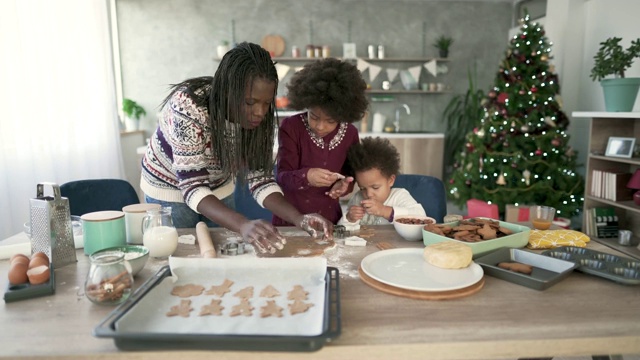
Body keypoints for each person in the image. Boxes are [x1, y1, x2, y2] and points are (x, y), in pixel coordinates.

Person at [140, 42, 333, 254]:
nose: (260, 112)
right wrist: (242, 223)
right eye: (250, 103)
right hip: (170, 187)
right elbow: (193, 186)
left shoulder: (259, 116)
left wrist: (299, 218)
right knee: (182, 257)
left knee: (225, 254)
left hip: (218, 185)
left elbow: (260, 179)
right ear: (228, 92)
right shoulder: (189, 106)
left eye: (266, 103)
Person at [275, 58, 368, 225]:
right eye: (313, 116)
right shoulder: (291, 127)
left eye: (330, 121)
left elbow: (350, 177)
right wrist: (306, 176)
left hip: (329, 219)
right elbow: (281, 177)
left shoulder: (351, 133)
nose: (320, 126)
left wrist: (342, 185)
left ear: (343, 115)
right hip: (290, 221)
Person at [338, 137, 426, 226]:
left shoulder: (399, 196)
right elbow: (341, 231)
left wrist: (385, 211)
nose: (368, 194)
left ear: (391, 180)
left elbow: (421, 217)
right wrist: (349, 219)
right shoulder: (358, 198)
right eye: (362, 188)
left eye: (375, 187)